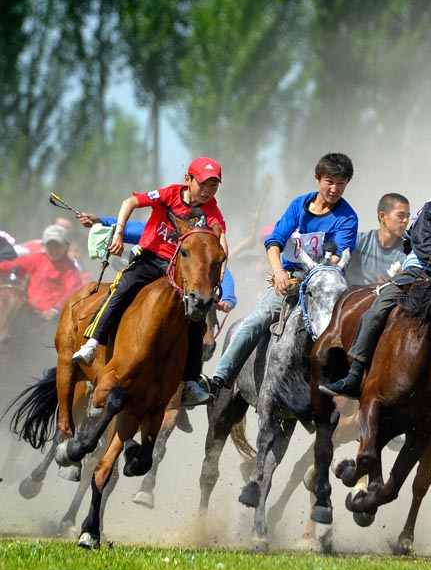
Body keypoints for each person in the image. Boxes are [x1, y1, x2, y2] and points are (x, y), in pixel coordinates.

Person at [317, 157, 431, 441]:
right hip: (419, 273)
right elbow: (425, 247)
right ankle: (354, 374)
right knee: (379, 306)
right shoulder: (430, 211)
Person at [70, 157, 229, 408]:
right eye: (204, 184)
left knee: (195, 317)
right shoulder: (169, 195)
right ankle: (92, 343)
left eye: (214, 186)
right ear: (188, 180)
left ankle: (189, 383)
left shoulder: (212, 211)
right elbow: (130, 202)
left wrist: (221, 263)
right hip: (148, 258)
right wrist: (119, 231)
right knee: (121, 289)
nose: (208, 191)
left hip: (173, 269)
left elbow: (220, 238)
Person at [205, 152, 358, 392]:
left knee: (351, 326)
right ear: (317, 179)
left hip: (324, 285)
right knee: (255, 321)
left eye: (341, 183)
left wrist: (315, 274)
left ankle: (353, 386)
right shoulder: (298, 205)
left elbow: (339, 256)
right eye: (330, 181)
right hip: (289, 281)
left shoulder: (348, 217)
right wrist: (278, 273)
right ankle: (219, 379)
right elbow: (274, 241)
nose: (335, 188)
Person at [77, 212, 239, 313]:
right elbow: (129, 228)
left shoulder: (200, 247)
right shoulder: (162, 234)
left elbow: (218, 268)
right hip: (147, 275)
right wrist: (99, 220)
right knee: (124, 291)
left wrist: (229, 298)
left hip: (181, 293)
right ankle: (95, 339)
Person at [0, 224, 83, 326]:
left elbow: (73, 292)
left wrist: (55, 309)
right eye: (50, 245)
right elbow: (8, 266)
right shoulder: (35, 259)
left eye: (58, 246)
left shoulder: (70, 270)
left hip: (50, 320)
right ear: (43, 245)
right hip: (27, 313)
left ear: (66, 247)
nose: (54, 250)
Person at [345, 193, 411, 284]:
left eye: (407, 216)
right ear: (382, 216)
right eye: (400, 215)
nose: (405, 221)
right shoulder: (357, 241)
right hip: (351, 296)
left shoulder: (409, 251)